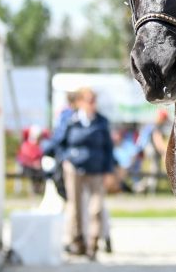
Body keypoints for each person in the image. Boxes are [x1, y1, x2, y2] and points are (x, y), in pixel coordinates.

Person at [56, 87, 114, 258]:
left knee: (96, 208)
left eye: (94, 100)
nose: (92, 104)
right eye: (89, 100)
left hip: (96, 168)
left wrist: (108, 171)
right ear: (80, 102)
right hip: (74, 168)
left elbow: (108, 148)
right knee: (74, 207)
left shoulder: (101, 121)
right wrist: (66, 158)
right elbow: (59, 142)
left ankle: (93, 244)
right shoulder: (70, 119)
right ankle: (77, 241)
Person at [16, 125, 46, 195]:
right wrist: (32, 163)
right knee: (34, 173)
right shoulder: (26, 145)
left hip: (38, 167)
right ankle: (35, 189)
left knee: (41, 172)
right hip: (28, 167)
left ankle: (38, 189)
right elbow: (23, 158)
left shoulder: (40, 146)